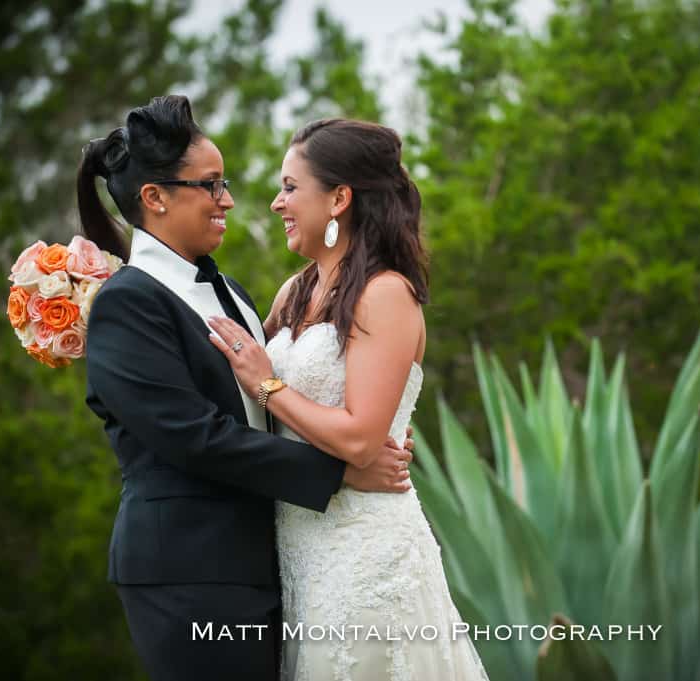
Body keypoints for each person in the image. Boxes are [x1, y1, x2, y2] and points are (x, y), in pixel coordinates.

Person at [78, 96, 415, 681]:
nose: (228, 199)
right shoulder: (127, 302)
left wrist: (372, 427)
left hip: (279, 560)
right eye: (210, 186)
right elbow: (194, 438)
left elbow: (286, 393)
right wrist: (340, 473)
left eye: (224, 182)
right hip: (189, 570)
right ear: (155, 198)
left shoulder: (234, 290)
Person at [208, 118, 490, 681]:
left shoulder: (386, 294)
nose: (274, 203)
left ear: (339, 198)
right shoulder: (295, 291)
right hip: (301, 548)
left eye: (290, 187)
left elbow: (361, 438)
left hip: (366, 553)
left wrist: (269, 383)